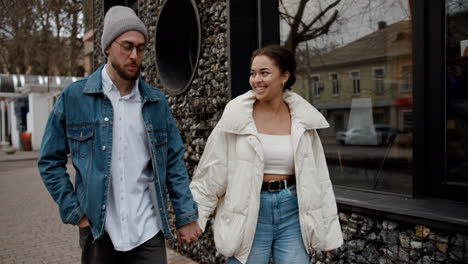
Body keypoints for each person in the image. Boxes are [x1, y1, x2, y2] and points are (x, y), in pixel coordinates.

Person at [38, 6, 201, 264]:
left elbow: (173, 162)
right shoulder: (74, 98)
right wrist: (75, 211)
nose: (134, 55)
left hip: (147, 230)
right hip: (98, 230)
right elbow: (49, 160)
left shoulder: (156, 102)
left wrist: (186, 216)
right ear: (107, 47)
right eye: (127, 46)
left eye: (140, 47)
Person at [190, 45, 343, 264]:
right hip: (250, 209)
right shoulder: (236, 117)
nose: (256, 80)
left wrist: (326, 231)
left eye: (264, 73)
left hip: (292, 208)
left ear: (284, 76)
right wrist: (194, 217)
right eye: (253, 73)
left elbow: (319, 180)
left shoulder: (303, 120)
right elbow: (211, 173)